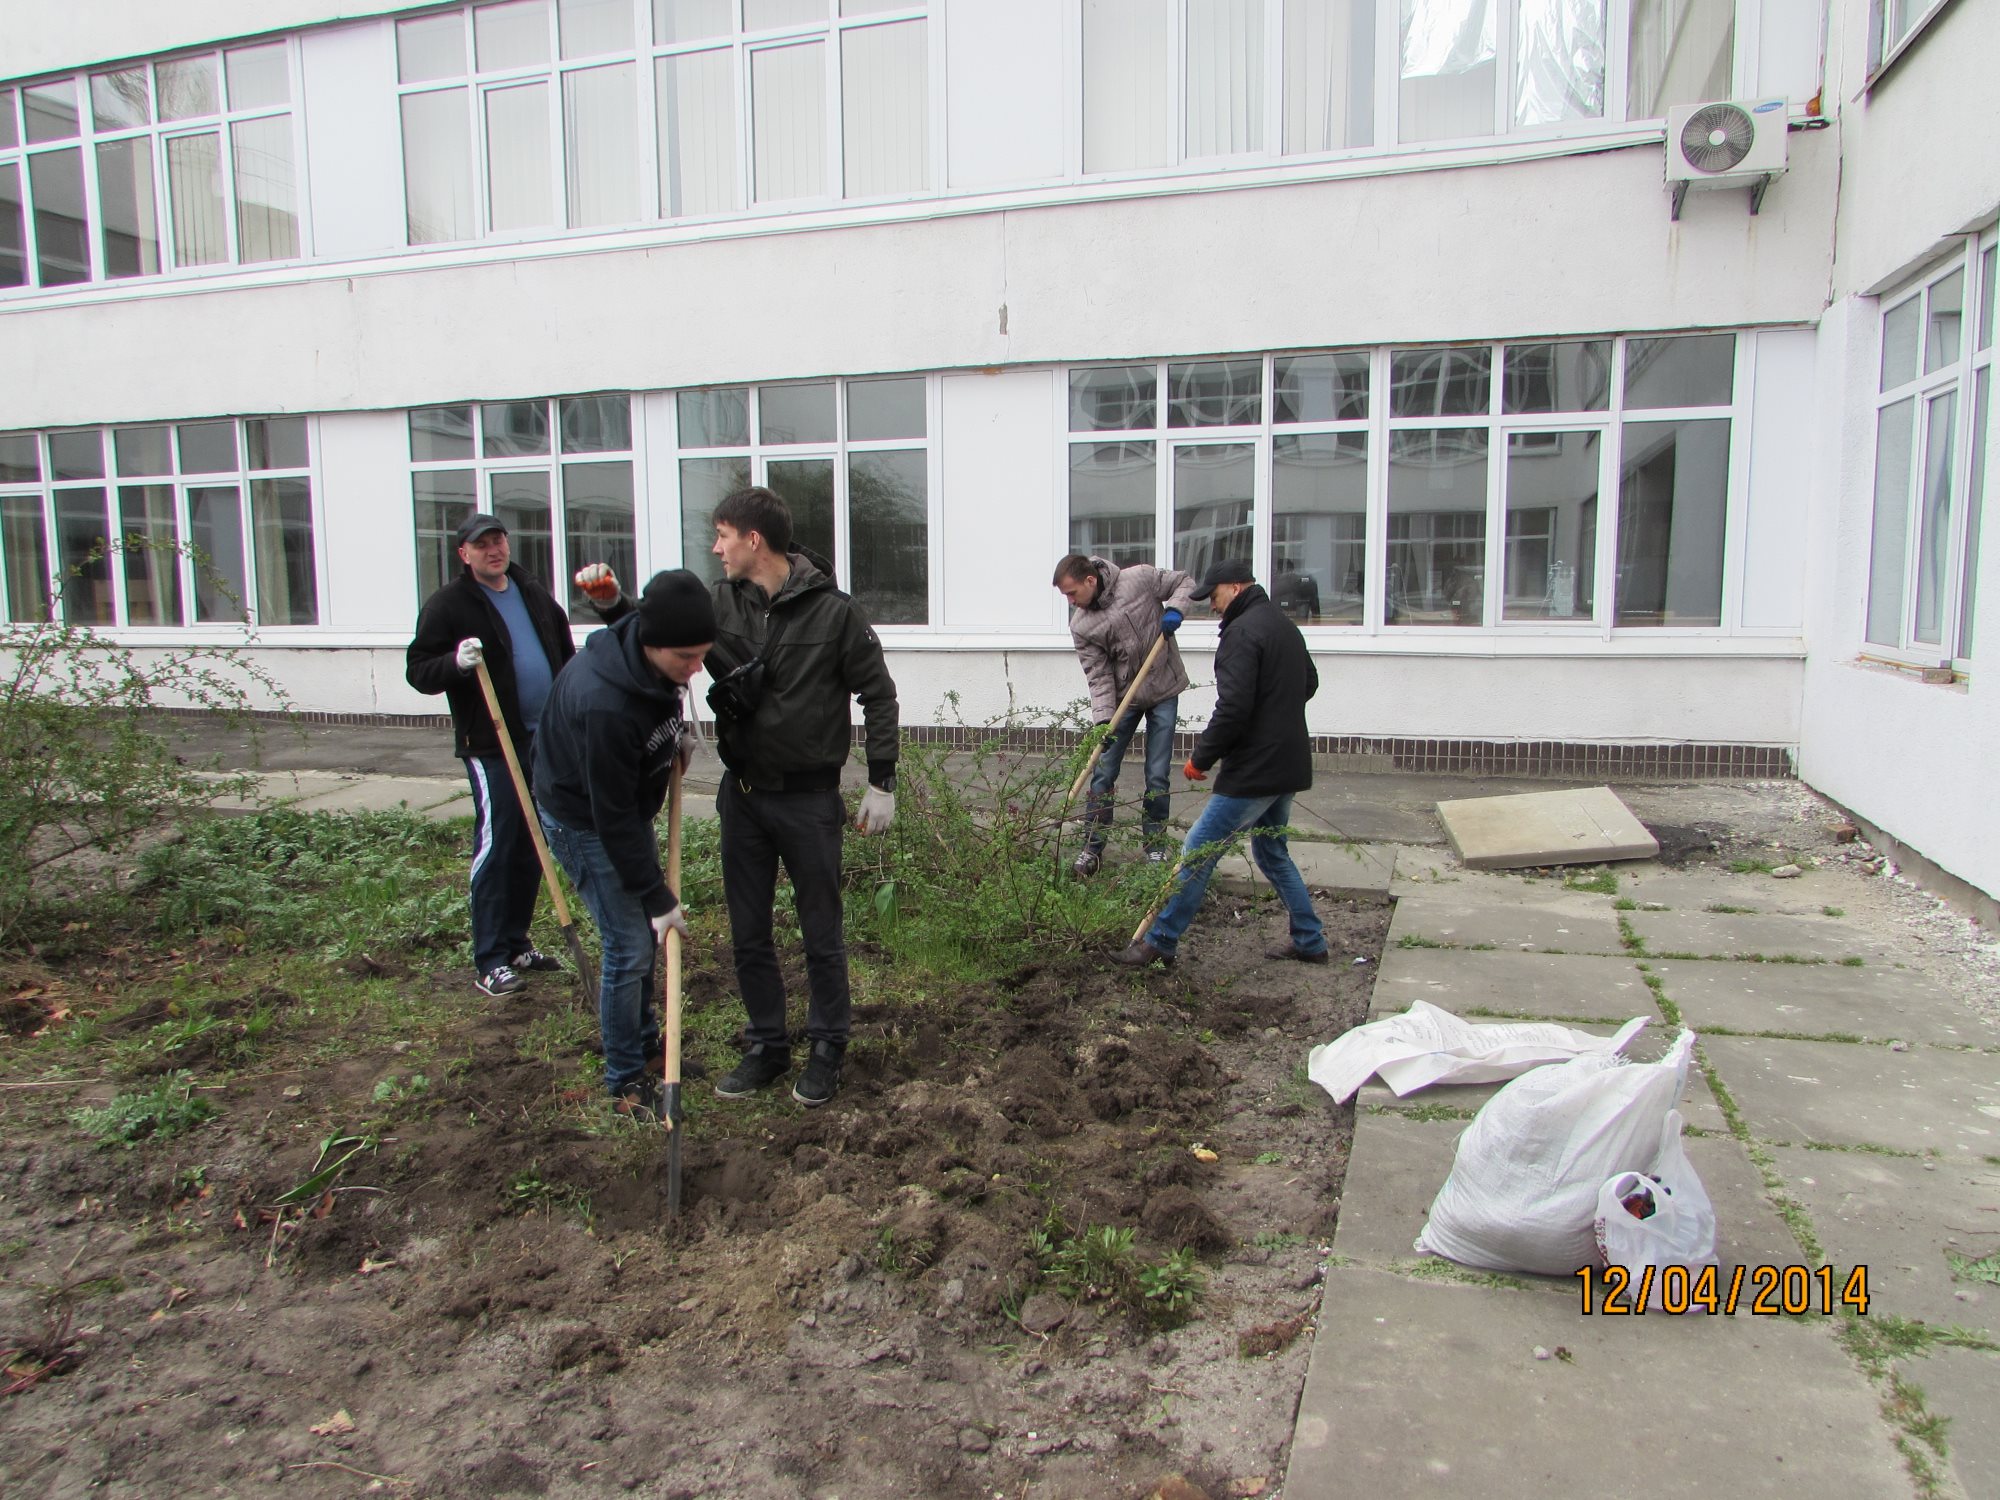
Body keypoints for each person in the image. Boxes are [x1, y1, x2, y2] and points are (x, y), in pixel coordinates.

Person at [703, 488, 899, 1108]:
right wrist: (612, 606)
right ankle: (766, 1045)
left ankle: (827, 1047)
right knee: (748, 931)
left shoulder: (834, 613)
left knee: (821, 932)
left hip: (808, 802)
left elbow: (878, 694)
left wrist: (882, 780)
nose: (716, 548)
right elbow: (661, 636)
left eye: (723, 535)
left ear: (753, 539)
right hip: (743, 795)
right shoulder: (719, 603)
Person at [533, 570, 711, 1120]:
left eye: (703, 655)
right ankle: (625, 1078)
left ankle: (646, 1044)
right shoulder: (605, 704)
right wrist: (657, 897)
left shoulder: (644, 638)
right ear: (652, 645)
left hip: (621, 810)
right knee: (629, 945)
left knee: (639, 939)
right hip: (584, 821)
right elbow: (611, 819)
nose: (696, 669)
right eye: (686, 658)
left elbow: (632, 619)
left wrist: (670, 740)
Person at [1114, 558, 1328, 970]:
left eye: (1213, 597)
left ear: (1234, 587)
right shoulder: (1282, 624)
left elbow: (1233, 707)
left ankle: (1159, 942)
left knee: (1198, 850)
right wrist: (1275, 714)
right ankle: (1310, 939)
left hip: (1255, 768)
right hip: (1288, 761)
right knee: (1271, 851)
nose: (1212, 607)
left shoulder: (1242, 632)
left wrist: (1202, 756)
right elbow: (1309, 683)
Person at [406, 512, 575, 998]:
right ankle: (490, 959)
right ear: (464, 554)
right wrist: (455, 662)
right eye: (482, 545)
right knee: (498, 842)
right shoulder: (449, 605)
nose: (493, 549)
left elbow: (563, 653)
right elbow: (418, 670)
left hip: (542, 739)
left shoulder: (533, 592)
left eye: (499, 540)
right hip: (492, 743)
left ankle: (516, 944)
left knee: (532, 842)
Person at [1052, 553, 1197, 876]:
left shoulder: (1140, 579)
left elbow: (1184, 582)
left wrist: (1175, 609)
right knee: (1103, 772)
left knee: (1157, 773)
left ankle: (1155, 846)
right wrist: (1104, 721)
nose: (1071, 602)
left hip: (1163, 689)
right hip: (1123, 700)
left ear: (1090, 580)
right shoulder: (1081, 625)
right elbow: (1098, 676)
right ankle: (1092, 848)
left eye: (1072, 593)